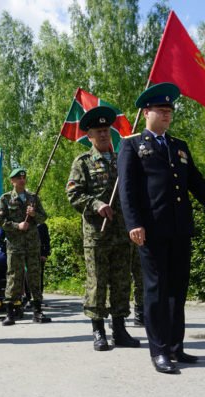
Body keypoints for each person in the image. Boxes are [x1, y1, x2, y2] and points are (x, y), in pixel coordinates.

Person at [118, 82, 205, 374]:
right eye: (161, 111)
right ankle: (159, 351)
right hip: (151, 231)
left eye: (169, 111)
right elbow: (127, 190)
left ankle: (176, 346)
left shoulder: (179, 147)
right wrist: (134, 224)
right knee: (156, 290)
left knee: (177, 290)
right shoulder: (132, 146)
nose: (167, 116)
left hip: (180, 230)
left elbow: (195, 180)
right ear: (147, 112)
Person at [66, 106, 140, 351]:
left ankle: (119, 329)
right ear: (89, 136)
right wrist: (95, 204)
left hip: (121, 232)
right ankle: (98, 330)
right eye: (98, 131)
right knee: (97, 282)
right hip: (97, 234)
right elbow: (73, 194)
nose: (103, 135)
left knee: (121, 281)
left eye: (106, 130)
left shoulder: (122, 158)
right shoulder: (83, 162)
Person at [0, 167, 51, 325]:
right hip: (15, 245)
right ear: (12, 181)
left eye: (24, 177)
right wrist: (16, 226)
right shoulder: (5, 199)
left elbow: (43, 218)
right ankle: (10, 312)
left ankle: (37, 311)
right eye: (18, 178)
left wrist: (34, 214)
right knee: (14, 277)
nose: (22, 180)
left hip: (32, 244)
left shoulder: (33, 198)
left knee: (34, 277)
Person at [37, 223, 51, 297]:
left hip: (39, 254)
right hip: (24, 253)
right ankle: (28, 296)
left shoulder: (42, 225)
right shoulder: (23, 222)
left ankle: (39, 295)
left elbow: (46, 240)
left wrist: (45, 254)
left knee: (39, 275)